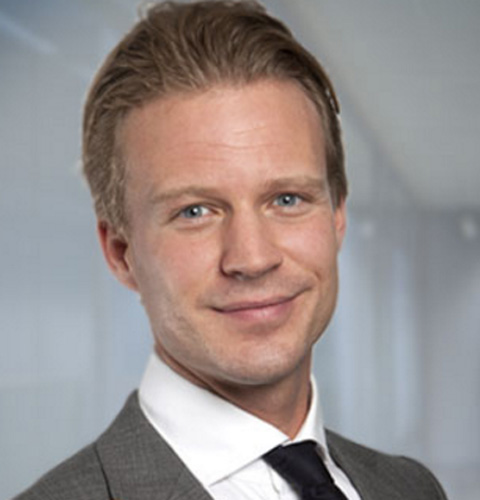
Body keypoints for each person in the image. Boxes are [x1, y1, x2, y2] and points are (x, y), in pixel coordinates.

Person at [14, 1, 447, 499]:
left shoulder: (410, 488)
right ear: (120, 252)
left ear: (336, 217)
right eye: (195, 211)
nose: (252, 258)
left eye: (287, 199)